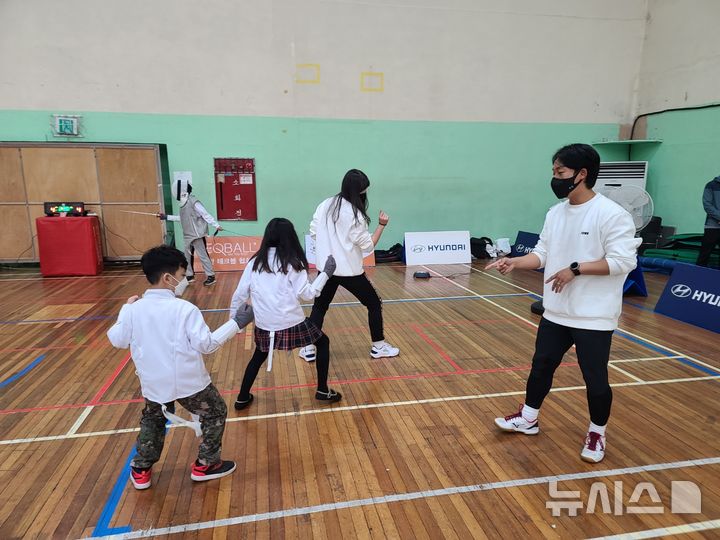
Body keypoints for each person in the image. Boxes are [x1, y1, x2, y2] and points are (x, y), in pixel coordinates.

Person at [487, 143, 641, 464]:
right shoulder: (555, 213)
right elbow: (542, 254)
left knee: (594, 378)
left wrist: (576, 268)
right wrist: (515, 262)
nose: (555, 178)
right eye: (554, 172)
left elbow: (623, 262)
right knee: (541, 365)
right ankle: (529, 418)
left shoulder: (612, 215)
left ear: (582, 174)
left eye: (561, 172)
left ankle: (597, 432)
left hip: (593, 316)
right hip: (556, 311)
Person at [107, 245, 239, 489]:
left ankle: (141, 468)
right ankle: (206, 464)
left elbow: (117, 339)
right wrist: (236, 324)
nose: (184, 280)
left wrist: (126, 309)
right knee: (215, 411)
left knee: (153, 419)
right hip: (190, 383)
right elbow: (206, 345)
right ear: (168, 278)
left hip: (153, 383)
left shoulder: (133, 310)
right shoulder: (184, 309)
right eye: (181, 275)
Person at [229, 218, 342, 410]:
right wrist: (325, 274)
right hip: (292, 322)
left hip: (264, 324)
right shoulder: (292, 262)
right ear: (290, 238)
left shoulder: (254, 262)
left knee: (259, 355)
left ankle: (241, 397)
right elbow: (307, 295)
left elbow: (239, 294)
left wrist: (234, 323)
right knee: (323, 342)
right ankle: (322, 390)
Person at [299, 169, 399, 362]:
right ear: (358, 191)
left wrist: (328, 247)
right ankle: (378, 346)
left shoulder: (325, 204)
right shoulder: (355, 215)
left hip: (326, 269)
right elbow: (368, 246)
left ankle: (309, 348)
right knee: (374, 304)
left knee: (319, 307)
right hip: (349, 272)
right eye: (364, 190)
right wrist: (382, 225)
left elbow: (313, 231)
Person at [158, 177, 222, 286]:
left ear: (181, 190)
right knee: (187, 256)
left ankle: (211, 276)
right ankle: (189, 275)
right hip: (188, 234)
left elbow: (204, 214)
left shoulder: (193, 201)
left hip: (196, 234)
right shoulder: (183, 204)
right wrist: (166, 217)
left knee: (202, 255)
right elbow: (182, 218)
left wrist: (216, 225)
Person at [696, 175, 720, 267]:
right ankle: (697, 279)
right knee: (704, 255)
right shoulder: (711, 185)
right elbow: (707, 205)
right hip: (712, 227)